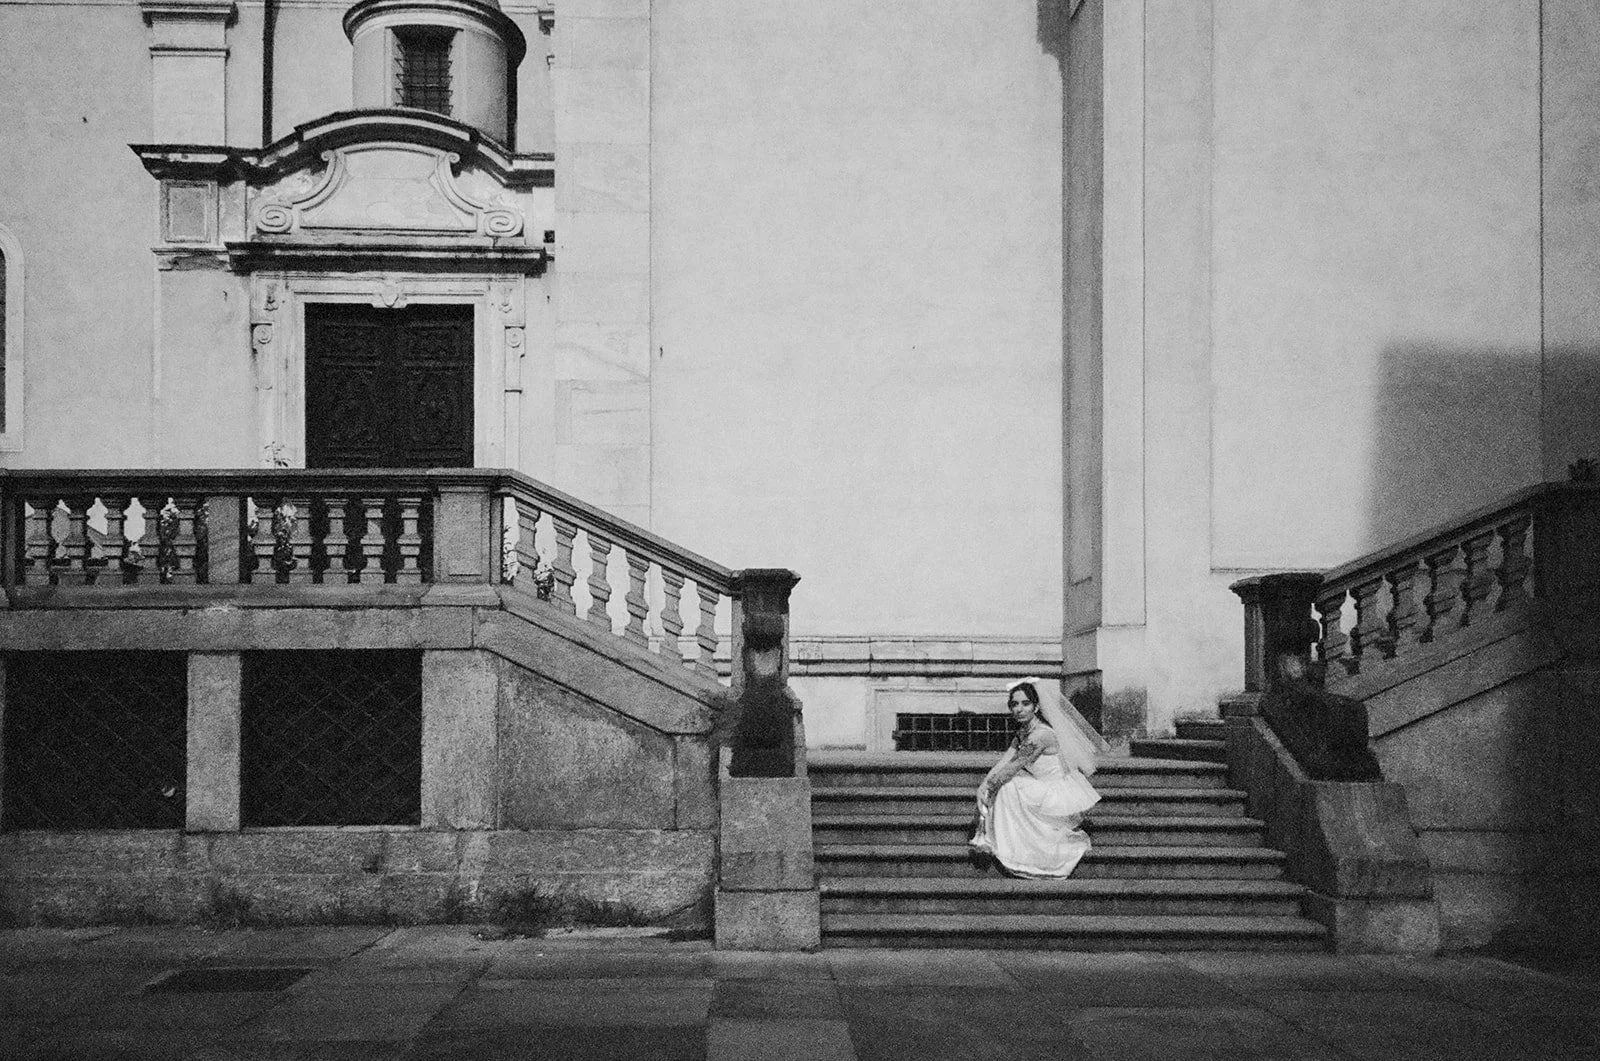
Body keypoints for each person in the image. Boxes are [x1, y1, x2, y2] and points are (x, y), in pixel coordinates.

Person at [967, 677, 1102, 878]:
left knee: (1009, 786)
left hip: (1054, 794)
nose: (1019, 709)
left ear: (1036, 707)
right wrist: (983, 785)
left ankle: (1015, 850)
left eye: (1025, 703)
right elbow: (1004, 762)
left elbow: (1011, 769)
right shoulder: (1023, 731)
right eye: (1014, 704)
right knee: (1007, 784)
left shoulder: (1041, 735)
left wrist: (990, 788)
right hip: (1039, 787)